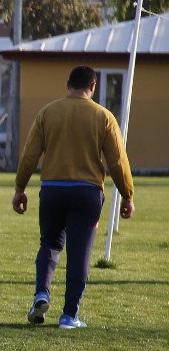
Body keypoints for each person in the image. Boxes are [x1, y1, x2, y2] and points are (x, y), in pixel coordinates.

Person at [12, 65, 135, 329]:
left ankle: (41, 293)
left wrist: (20, 188)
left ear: (67, 84)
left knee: (50, 244)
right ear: (93, 87)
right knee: (79, 253)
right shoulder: (103, 116)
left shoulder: (48, 112)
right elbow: (117, 162)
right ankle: (69, 315)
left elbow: (30, 155)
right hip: (87, 192)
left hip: (53, 189)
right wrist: (127, 195)